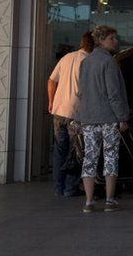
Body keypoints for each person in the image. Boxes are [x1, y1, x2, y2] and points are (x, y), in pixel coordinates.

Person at [76, 25, 129, 213]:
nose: (116, 41)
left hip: (88, 117)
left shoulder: (86, 61)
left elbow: (80, 91)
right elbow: (113, 93)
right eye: (112, 38)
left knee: (89, 157)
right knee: (110, 156)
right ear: (102, 40)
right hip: (108, 116)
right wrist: (122, 117)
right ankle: (109, 199)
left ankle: (89, 201)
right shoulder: (109, 62)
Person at [48, 32, 94, 197]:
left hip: (59, 110)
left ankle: (58, 187)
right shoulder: (89, 61)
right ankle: (70, 188)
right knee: (76, 151)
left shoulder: (67, 57)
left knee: (60, 149)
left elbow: (51, 80)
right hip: (77, 112)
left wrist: (51, 102)